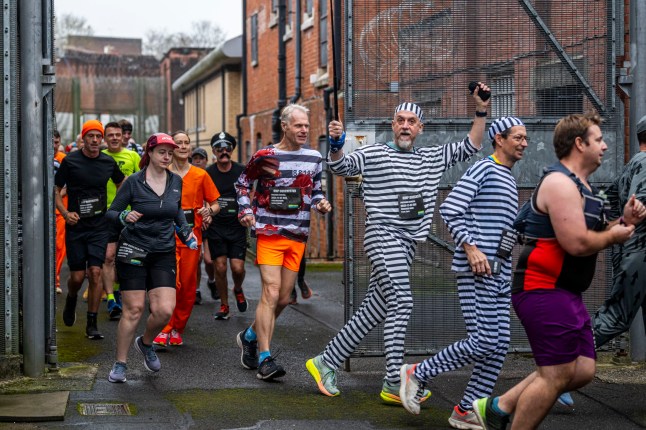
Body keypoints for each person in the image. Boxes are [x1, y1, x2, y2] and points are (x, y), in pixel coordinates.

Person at [306, 85, 490, 404]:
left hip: (407, 244)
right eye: (400, 120)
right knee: (402, 301)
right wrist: (336, 144)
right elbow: (339, 167)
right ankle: (393, 381)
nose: (405, 126)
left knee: (375, 308)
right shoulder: (375, 153)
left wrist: (481, 111)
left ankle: (325, 362)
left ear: (420, 128)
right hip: (382, 234)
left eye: (411, 121)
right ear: (393, 125)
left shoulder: (432, 158)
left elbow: (471, 145)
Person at [472, 113, 646, 430]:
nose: (605, 146)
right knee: (556, 374)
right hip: (542, 289)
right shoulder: (559, 183)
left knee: (582, 370)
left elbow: (603, 228)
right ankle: (502, 416)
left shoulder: (585, 188)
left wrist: (626, 222)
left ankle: (498, 407)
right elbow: (577, 243)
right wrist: (615, 235)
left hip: (566, 292)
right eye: (598, 140)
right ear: (579, 144)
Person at [398, 117, 527, 425]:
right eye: (518, 137)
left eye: (525, 138)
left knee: (497, 347)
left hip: (499, 271)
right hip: (477, 270)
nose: (524, 143)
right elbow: (450, 208)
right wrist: (471, 248)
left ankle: (466, 410)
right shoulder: (485, 168)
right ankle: (417, 373)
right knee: (484, 340)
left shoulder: (507, 176)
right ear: (499, 139)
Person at [236, 105, 332, 380]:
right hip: (268, 232)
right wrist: (246, 211)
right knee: (271, 291)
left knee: (284, 298)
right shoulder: (266, 156)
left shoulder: (314, 158)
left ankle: (250, 335)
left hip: (297, 235)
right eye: (299, 125)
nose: (304, 130)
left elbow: (315, 191)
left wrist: (321, 203)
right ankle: (265, 358)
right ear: (285, 126)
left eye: (306, 126)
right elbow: (242, 184)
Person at [106, 133, 196, 383]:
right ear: (150, 153)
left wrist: (185, 231)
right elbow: (111, 213)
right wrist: (124, 217)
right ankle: (120, 363)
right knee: (134, 309)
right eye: (162, 152)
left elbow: (176, 209)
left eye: (170, 152)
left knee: (165, 310)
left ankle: (145, 343)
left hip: (163, 251)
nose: (167, 156)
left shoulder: (175, 181)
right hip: (133, 249)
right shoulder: (134, 182)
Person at [55, 120, 125, 339]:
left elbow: (122, 184)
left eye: (98, 136)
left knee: (95, 272)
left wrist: (114, 209)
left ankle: (92, 324)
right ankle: (72, 298)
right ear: (83, 138)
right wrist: (66, 214)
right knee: (76, 277)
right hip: (76, 225)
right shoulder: (71, 160)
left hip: (99, 226)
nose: (95, 140)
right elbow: (56, 190)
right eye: (90, 136)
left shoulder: (107, 161)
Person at [152, 131, 220, 347]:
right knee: (171, 283)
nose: (182, 146)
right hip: (165, 237)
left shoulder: (201, 175)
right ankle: (165, 328)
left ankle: (178, 327)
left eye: (186, 143)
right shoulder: (161, 172)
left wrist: (209, 212)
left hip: (191, 238)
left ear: (190, 148)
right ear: (172, 147)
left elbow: (216, 203)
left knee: (188, 286)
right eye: (178, 142)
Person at [592, 114, 646, 348]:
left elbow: (608, 200)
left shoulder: (632, 165)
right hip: (639, 253)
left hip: (630, 250)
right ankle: (562, 354)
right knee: (617, 316)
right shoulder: (644, 164)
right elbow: (638, 204)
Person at [205, 132, 249, 320]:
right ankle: (224, 305)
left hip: (237, 225)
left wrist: (248, 213)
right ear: (214, 151)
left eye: (227, 148)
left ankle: (237, 289)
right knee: (220, 268)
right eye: (219, 149)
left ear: (232, 150)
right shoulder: (208, 172)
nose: (224, 152)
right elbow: (204, 195)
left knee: (237, 268)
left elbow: (250, 192)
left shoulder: (241, 170)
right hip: (216, 226)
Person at [101, 122, 141, 320]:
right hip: (105, 215)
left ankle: (118, 291)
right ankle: (110, 298)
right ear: (104, 137)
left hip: (128, 216)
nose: (115, 138)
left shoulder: (133, 156)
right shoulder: (100, 157)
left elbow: (142, 181)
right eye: (111, 135)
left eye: (118, 134)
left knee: (125, 258)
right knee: (108, 257)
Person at [190, 146, 215, 305]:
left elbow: (213, 199)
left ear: (206, 161)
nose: (198, 161)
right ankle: (196, 290)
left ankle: (212, 281)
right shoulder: (190, 176)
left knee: (209, 260)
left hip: (209, 222)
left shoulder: (209, 175)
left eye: (201, 158)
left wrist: (209, 214)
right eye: (195, 158)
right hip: (194, 222)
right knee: (197, 259)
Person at [53, 130, 67, 294]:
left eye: (57, 142)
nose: (54, 145)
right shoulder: (39, 156)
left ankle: (55, 278)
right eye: (51, 141)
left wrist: (56, 195)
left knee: (58, 245)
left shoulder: (64, 159)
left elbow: (67, 184)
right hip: (41, 210)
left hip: (59, 210)